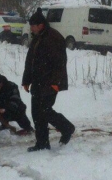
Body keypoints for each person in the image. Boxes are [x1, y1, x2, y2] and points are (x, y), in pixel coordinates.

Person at [22, 8, 76, 151]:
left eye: (32, 26)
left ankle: (67, 128)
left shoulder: (54, 37)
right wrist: (26, 80)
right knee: (36, 113)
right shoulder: (37, 38)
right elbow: (30, 61)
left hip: (50, 83)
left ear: (40, 25)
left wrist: (55, 83)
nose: (30, 28)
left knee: (44, 111)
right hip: (37, 82)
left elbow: (59, 63)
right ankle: (42, 143)